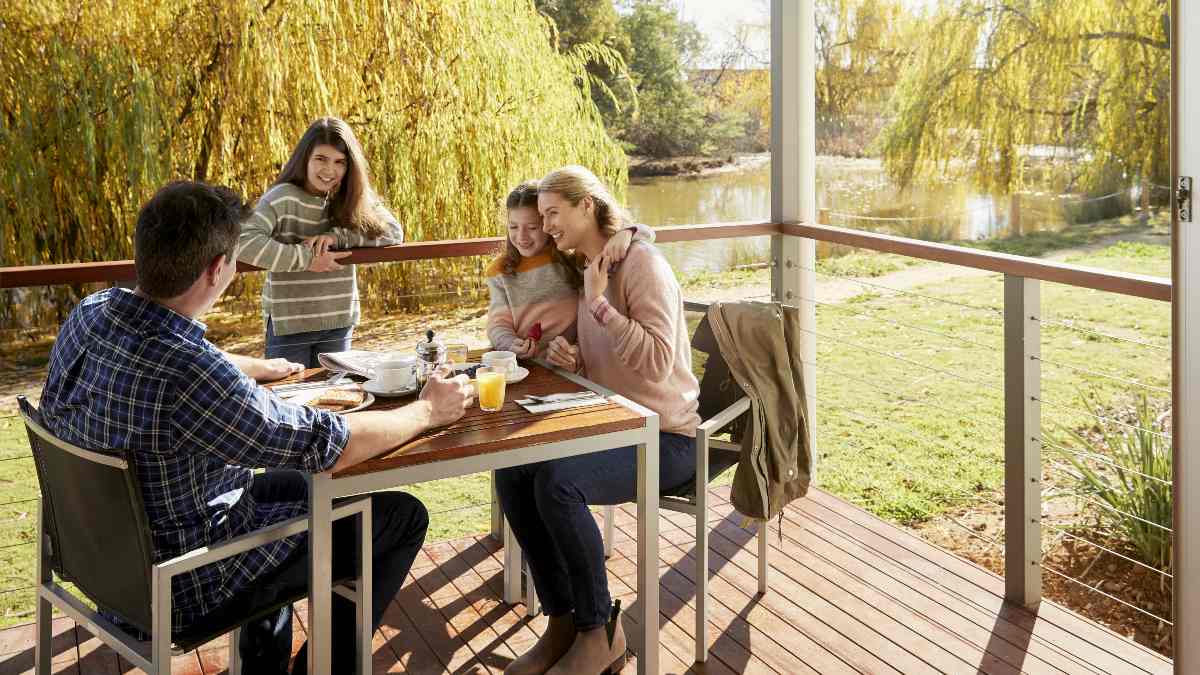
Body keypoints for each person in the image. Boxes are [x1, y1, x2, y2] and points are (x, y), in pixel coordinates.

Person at [39, 181, 474, 674]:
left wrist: (252, 366)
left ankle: (262, 665)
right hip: (186, 583)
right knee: (396, 517)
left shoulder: (93, 313)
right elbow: (326, 445)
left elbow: (164, 348)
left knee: (297, 491)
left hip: (100, 561)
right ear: (216, 269)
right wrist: (429, 412)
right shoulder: (192, 376)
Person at [494, 166, 700, 675]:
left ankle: (599, 632)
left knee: (558, 483)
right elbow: (612, 362)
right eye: (540, 216)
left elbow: (656, 361)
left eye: (552, 214)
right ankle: (561, 621)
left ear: (587, 205)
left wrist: (599, 304)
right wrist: (575, 358)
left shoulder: (641, 264)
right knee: (515, 471)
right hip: (617, 425)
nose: (546, 227)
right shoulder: (591, 265)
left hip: (667, 438)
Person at [238, 116, 404, 367]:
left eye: (340, 162)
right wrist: (308, 259)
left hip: (338, 320)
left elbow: (393, 232)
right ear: (305, 157)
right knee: (288, 397)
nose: (330, 171)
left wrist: (338, 237)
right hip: (290, 325)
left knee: (335, 397)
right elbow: (243, 241)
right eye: (321, 159)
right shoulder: (281, 198)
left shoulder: (354, 197)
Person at [485, 180, 654, 358]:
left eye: (532, 227)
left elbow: (647, 233)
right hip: (525, 366)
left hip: (570, 364)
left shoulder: (571, 257)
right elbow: (498, 324)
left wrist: (626, 233)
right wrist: (510, 344)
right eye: (513, 227)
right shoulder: (499, 271)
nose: (521, 237)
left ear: (547, 224)